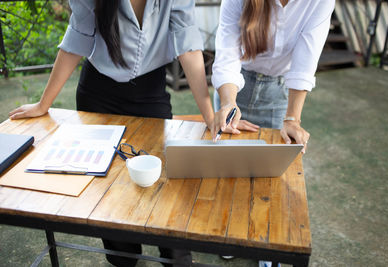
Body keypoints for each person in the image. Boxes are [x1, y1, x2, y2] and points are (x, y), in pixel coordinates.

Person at [8, 0, 225, 266]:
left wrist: (210, 116)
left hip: (150, 92)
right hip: (98, 94)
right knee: (109, 189)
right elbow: (77, 39)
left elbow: (188, 44)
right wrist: (44, 104)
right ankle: (124, 258)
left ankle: (176, 254)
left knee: (163, 179)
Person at [211, 0, 335, 153]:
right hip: (233, 87)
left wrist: (292, 119)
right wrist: (228, 104)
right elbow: (227, 53)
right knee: (225, 158)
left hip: (276, 92)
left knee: (269, 165)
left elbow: (307, 56)